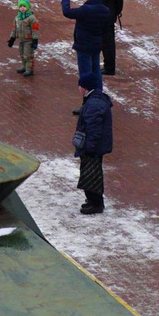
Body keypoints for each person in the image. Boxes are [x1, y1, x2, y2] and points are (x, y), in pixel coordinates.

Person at [72, 70, 113, 215]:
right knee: (91, 174)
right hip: (95, 146)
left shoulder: (93, 104)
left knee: (91, 174)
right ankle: (93, 201)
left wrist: (89, 147)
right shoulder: (95, 100)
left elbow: (94, 130)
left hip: (92, 147)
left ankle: (95, 203)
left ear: (84, 87)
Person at [61, 0, 113, 89]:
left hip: (84, 46)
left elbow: (67, 12)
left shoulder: (86, 10)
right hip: (96, 44)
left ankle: (89, 98)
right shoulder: (105, 10)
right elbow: (106, 29)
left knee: (86, 74)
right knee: (96, 71)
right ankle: (98, 94)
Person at [93, 0, 126, 76]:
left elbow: (98, 4)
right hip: (110, 16)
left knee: (105, 43)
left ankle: (109, 67)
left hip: (103, 19)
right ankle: (109, 65)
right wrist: (116, 12)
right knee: (109, 42)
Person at [6, 0, 38, 78]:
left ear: (28, 7)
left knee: (28, 55)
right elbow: (14, 29)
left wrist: (35, 40)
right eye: (21, 6)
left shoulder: (31, 18)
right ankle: (24, 66)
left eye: (24, 6)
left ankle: (29, 69)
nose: (22, 8)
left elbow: (35, 29)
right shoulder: (17, 18)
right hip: (21, 39)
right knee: (22, 54)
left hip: (28, 40)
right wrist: (12, 38)